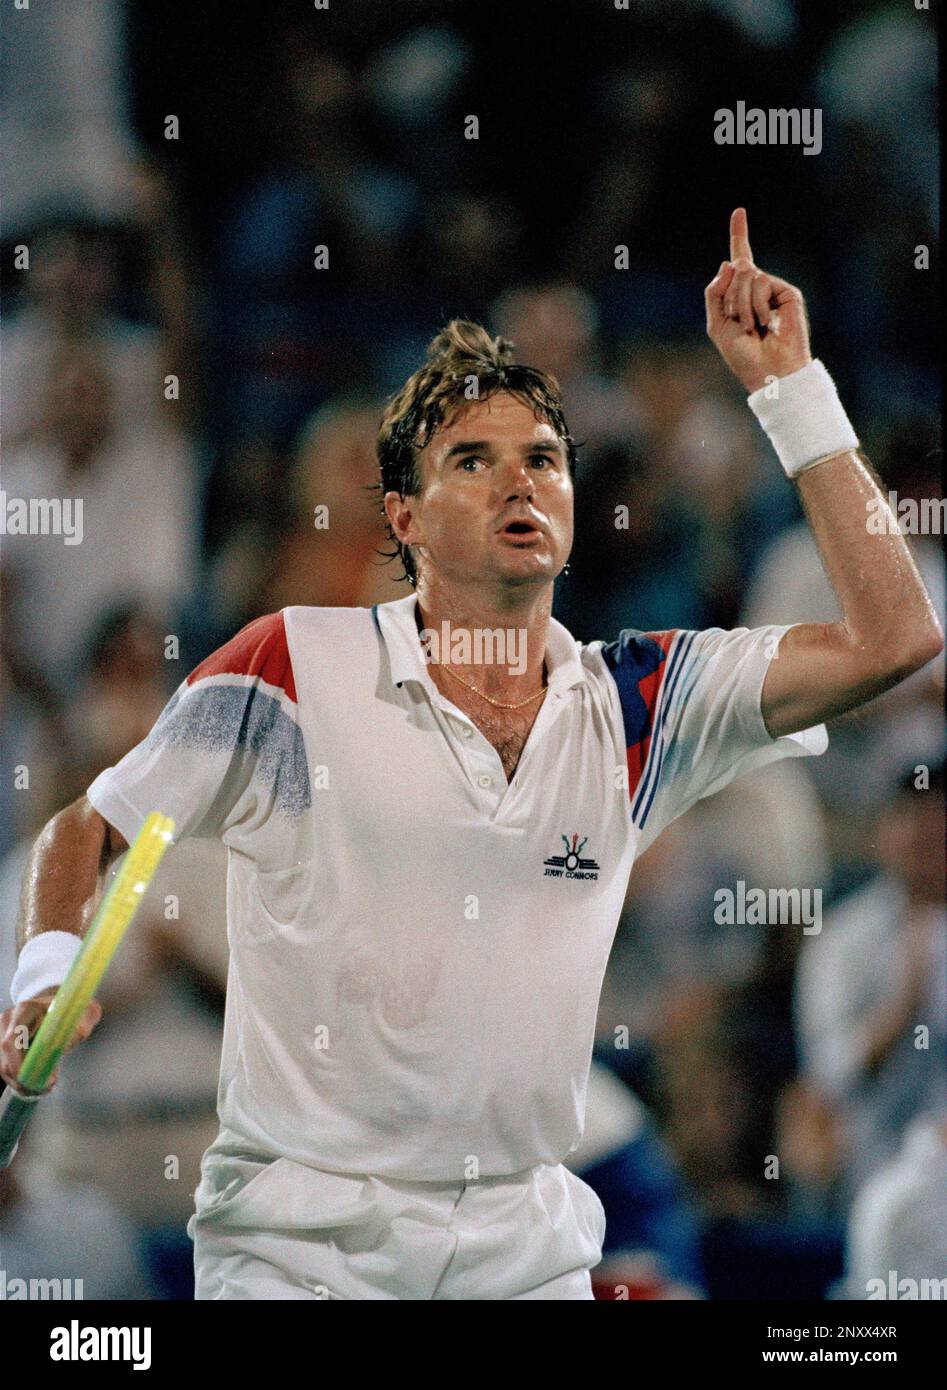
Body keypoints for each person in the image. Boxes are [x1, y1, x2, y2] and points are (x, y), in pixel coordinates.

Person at [2, 210, 942, 1300]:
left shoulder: (639, 702)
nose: (519, 482)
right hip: (296, 1260)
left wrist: (792, 391)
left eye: (543, 458)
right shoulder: (289, 667)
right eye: (473, 460)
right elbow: (90, 824)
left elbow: (896, 639)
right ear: (401, 515)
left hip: (524, 1255)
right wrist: (43, 979)